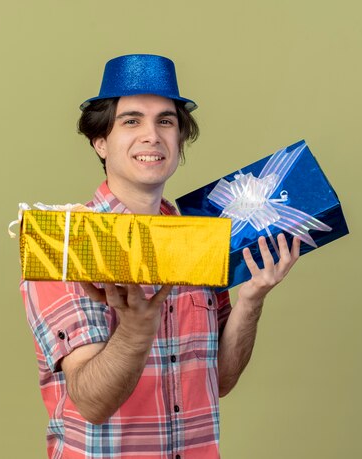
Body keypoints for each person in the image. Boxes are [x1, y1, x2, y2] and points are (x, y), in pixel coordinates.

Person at [20, 54, 301, 459]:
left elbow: (217, 380)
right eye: (131, 121)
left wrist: (252, 300)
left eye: (165, 121)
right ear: (100, 141)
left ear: (179, 138)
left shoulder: (200, 237)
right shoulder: (65, 244)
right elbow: (91, 403)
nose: (152, 135)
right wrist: (136, 329)